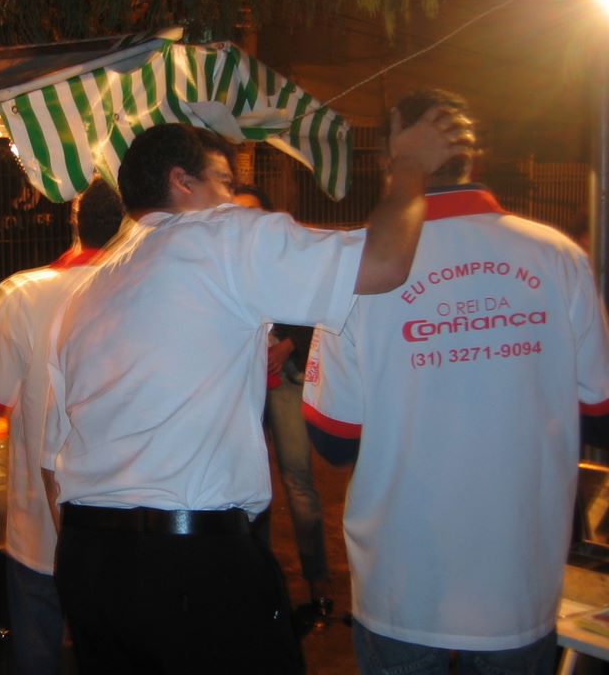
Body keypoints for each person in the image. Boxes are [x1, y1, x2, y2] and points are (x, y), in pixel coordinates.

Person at [41, 113, 472, 675]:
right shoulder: (220, 234)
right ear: (181, 182)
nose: (234, 197)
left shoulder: (87, 290)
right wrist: (410, 166)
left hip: (88, 559)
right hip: (189, 563)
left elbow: (54, 459)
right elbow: (385, 262)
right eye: (223, 181)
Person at [301, 88, 609, 675]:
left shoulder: (357, 269)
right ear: (474, 155)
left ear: (391, 155)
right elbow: (600, 413)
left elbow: (333, 439)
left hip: (402, 585)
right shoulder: (559, 257)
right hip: (518, 583)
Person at [0, 177, 125, 675]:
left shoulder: (23, 294)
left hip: (39, 524)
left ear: (73, 221)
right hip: (121, 522)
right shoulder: (147, 294)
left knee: (37, 648)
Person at [232, 184, 335, 632]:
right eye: (237, 214)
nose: (246, 222)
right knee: (248, 486)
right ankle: (260, 586)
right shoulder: (223, 262)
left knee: (298, 480)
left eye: (253, 213)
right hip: (243, 384)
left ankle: (319, 584)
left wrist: (289, 343)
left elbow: (317, 313)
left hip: (286, 378)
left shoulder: (288, 259)